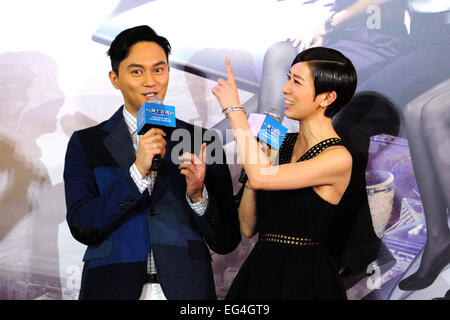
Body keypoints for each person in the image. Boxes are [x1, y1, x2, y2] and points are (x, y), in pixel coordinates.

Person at [63, 25, 241, 300]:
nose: (150, 81)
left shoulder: (201, 141)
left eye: (159, 70)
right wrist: (137, 172)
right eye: (137, 71)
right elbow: (82, 226)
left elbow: (227, 240)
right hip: (111, 287)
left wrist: (197, 196)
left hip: (187, 288)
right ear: (115, 78)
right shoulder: (87, 143)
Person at [211, 47, 357, 299]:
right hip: (260, 272)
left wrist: (235, 111)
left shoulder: (337, 158)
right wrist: (257, 161)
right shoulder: (282, 143)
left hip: (304, 279)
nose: (285, 89)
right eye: (288, 78)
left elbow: (261, 177)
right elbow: (247, 227)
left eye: (296, 82)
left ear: (327, 97)